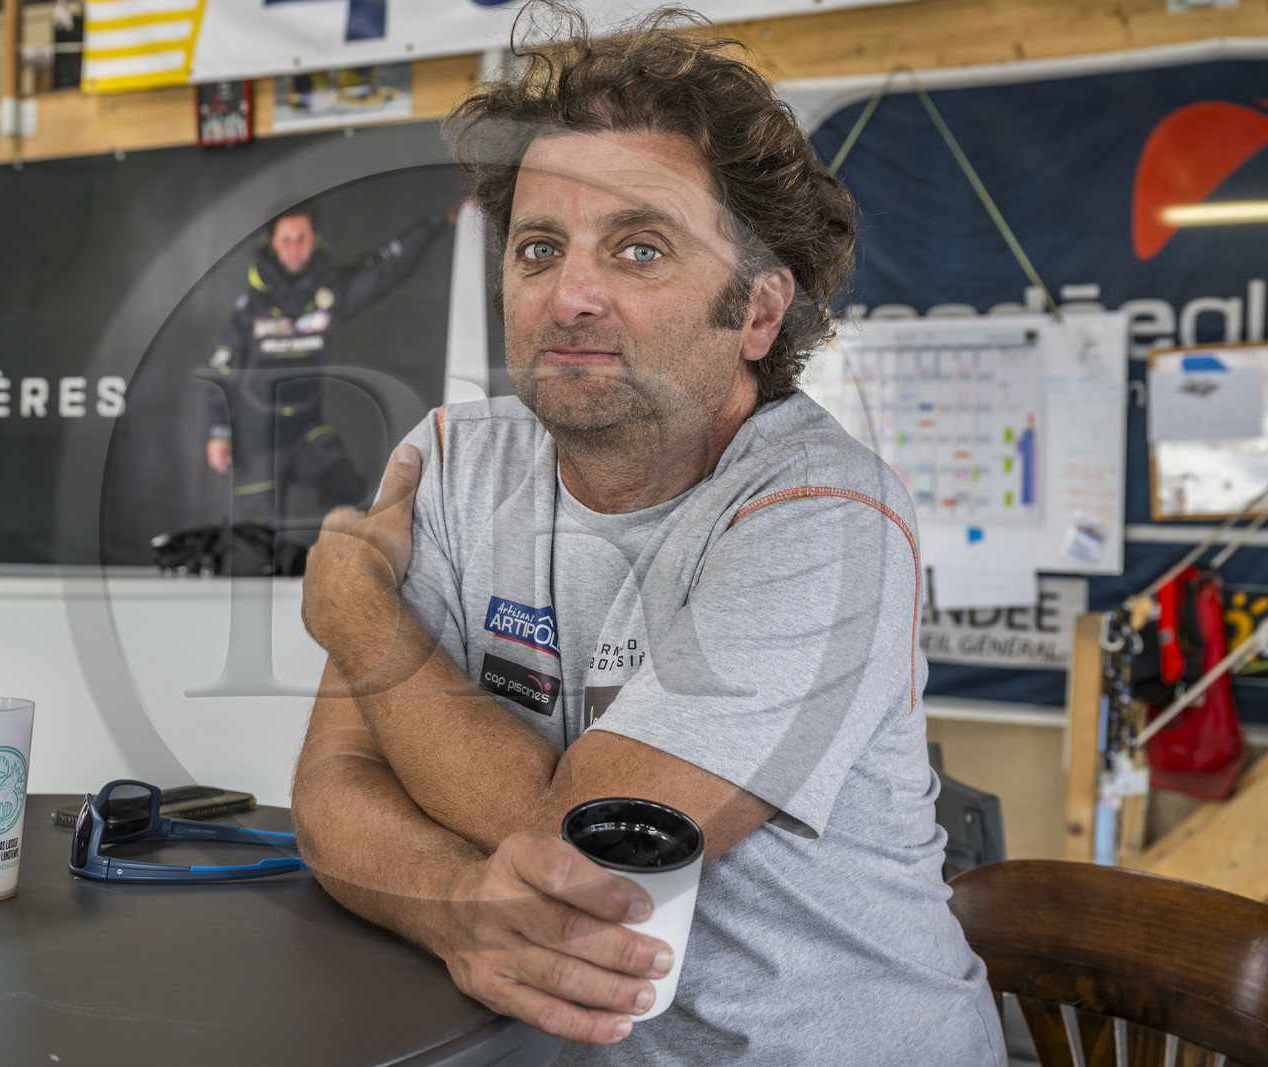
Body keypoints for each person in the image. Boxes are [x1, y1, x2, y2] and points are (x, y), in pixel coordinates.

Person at [290, 6, 1007, 1065]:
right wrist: (451, 906)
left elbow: (582, 844)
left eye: (638, 247)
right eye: (539, 248)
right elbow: (330, 796)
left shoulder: (828, 518)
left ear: (758, 311)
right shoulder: (451, 460)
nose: (569, 295)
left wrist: (359, 615)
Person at [204, 200, 455, 526]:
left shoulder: (331, 290)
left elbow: (386, 268)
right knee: (255, 541)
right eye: (286, 240)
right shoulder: (250, 306)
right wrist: (219, 433)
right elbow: (220, 371)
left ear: (314, 239)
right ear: (272, 243)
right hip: (257, 440)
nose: (294, 248)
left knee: (353, 504)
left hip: (307, 432)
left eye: (302, 238)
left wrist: (437, 222)